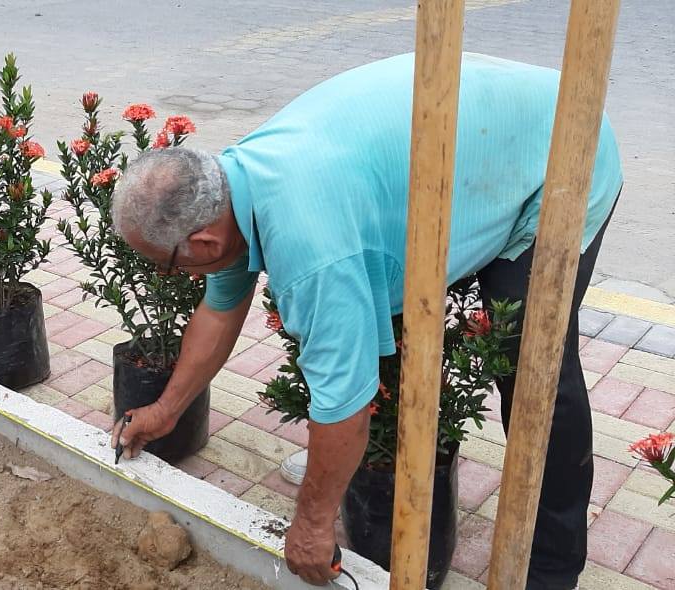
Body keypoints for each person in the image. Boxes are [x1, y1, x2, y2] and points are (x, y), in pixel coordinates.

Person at [108, 52, 622, 589]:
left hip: (559, 149)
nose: (173, 276)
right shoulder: (232, 191)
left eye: (169, 265)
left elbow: (345, 402)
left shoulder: (312, 251)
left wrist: (312, 524)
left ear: (204, 242)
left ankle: (553, 567)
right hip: (480, 137)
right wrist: (166, 410)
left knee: (533, 365)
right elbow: (219, 308)